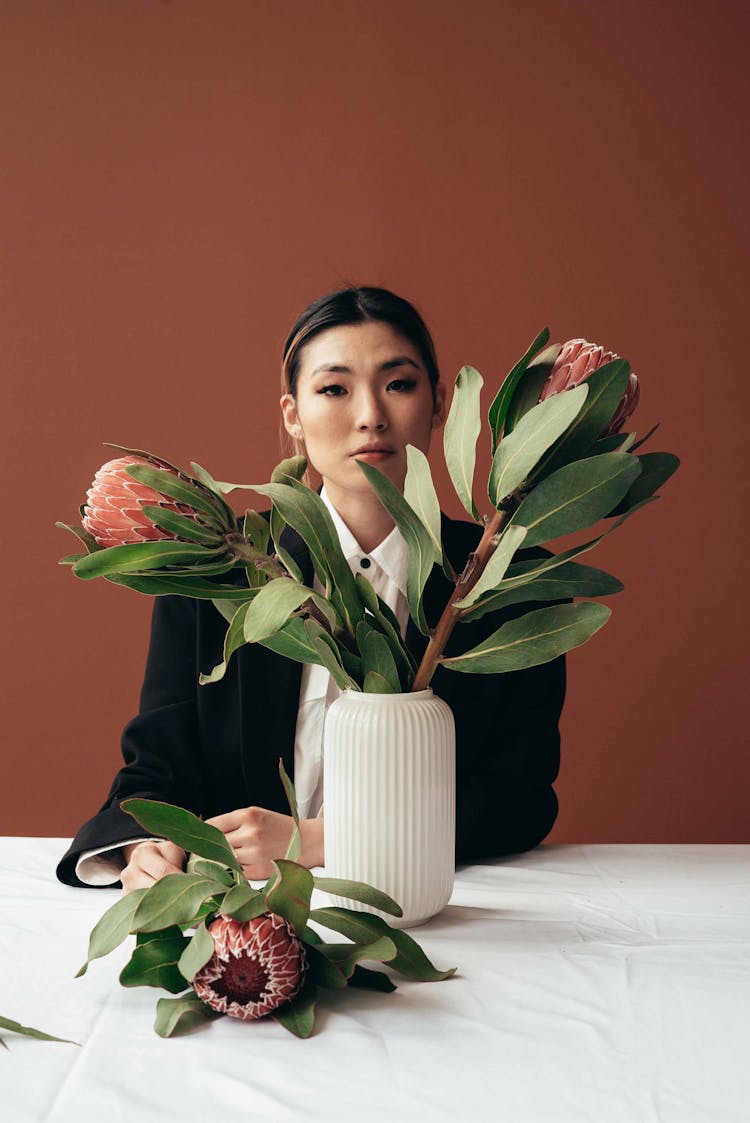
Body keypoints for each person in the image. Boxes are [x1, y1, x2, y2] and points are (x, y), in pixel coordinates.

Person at [56, 286, 565, 892]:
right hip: (247, 913)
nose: (370, 414)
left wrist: (325, 839)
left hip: (444, 906)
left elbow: (520, 797)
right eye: (334, 389)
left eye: (398, 384)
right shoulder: (217, 578)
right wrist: (149, 843)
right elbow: (156, 767)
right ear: (293, 415)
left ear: (439, 405)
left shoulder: (511, 578)